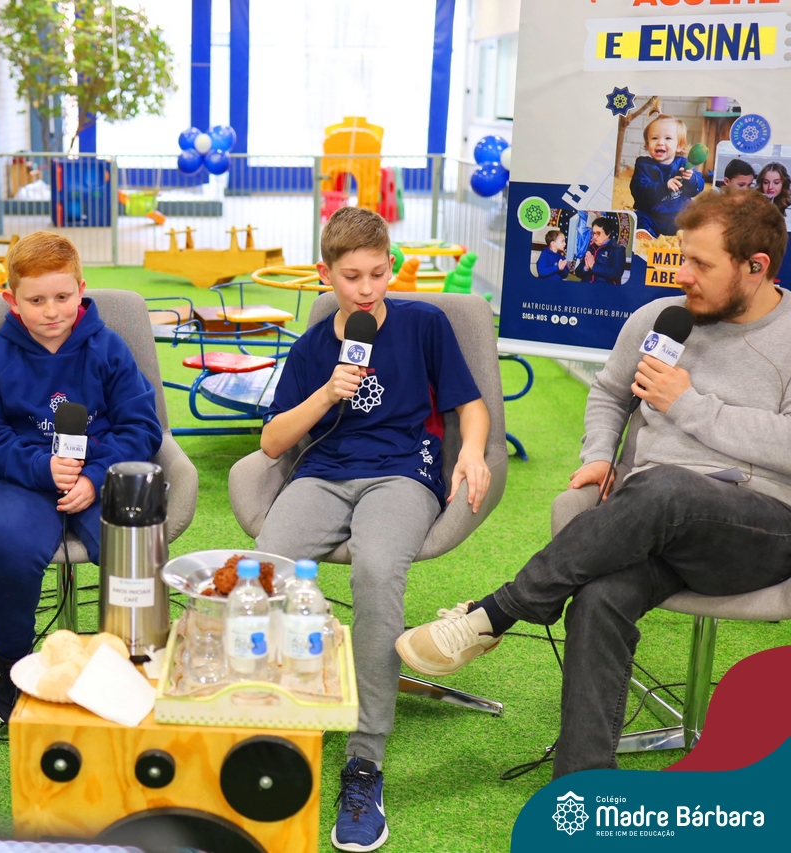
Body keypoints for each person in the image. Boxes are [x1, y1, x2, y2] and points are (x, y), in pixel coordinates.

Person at [396, 189, 791, 779]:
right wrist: (601, 455)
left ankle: (496, 613)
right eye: (683, 256)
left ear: (756, 267)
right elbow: (609, 393)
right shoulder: (660, 319)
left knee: (666, 488)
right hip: (649, 518)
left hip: (758, 530)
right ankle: (581, 792)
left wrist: (689, 405)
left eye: (700, 264)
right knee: (600, 598)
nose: (681, 274)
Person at [251, 207, 491, 852]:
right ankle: (280, 721)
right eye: (352, 276)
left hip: (402, 473)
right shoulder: (310, 348)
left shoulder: (425, 324)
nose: (367, 289)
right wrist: (327, 393)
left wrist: (472, 451)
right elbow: (272, 443)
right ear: (325, 274)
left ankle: (365, 760)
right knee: (266, 570)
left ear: (391, 266)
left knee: (378, 570)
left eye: (379, 274)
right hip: (322, 474)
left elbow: (469, 405)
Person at [0, 231, 162, 723]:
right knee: (8, 545)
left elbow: (142, 427)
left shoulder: (109, 349)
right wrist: (39, 468)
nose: (52, 311)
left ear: (81, 290)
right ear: (12, 300)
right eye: (36, 300)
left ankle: (133, 656)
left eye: (63, 297)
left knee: (132, 543)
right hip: (23, 478)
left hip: (99, 475)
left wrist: (96, 476)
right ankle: (12, 663)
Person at [629, 114, 704, 237]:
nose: (660, 143)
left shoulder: (684, 164)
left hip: (678, 215)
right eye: (654, 138)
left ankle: (685, 234)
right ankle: (646, 234)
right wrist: (664, 187)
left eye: (668, 138)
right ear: (647, 144)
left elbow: (697, 189)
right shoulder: (643, 165)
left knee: (693, 218)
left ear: (679, 145)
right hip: (652, 214)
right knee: (639, 217)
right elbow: (639, 191)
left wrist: (691, 179)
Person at [578, 216, 626, 285]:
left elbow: (616, 273)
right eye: (593, 233)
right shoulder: (591, 248)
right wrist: (586, 268)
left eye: (598, 233)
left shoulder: (618, 249)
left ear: (608, 233)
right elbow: (578, 272)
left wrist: (593, 266)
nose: (594, 237)